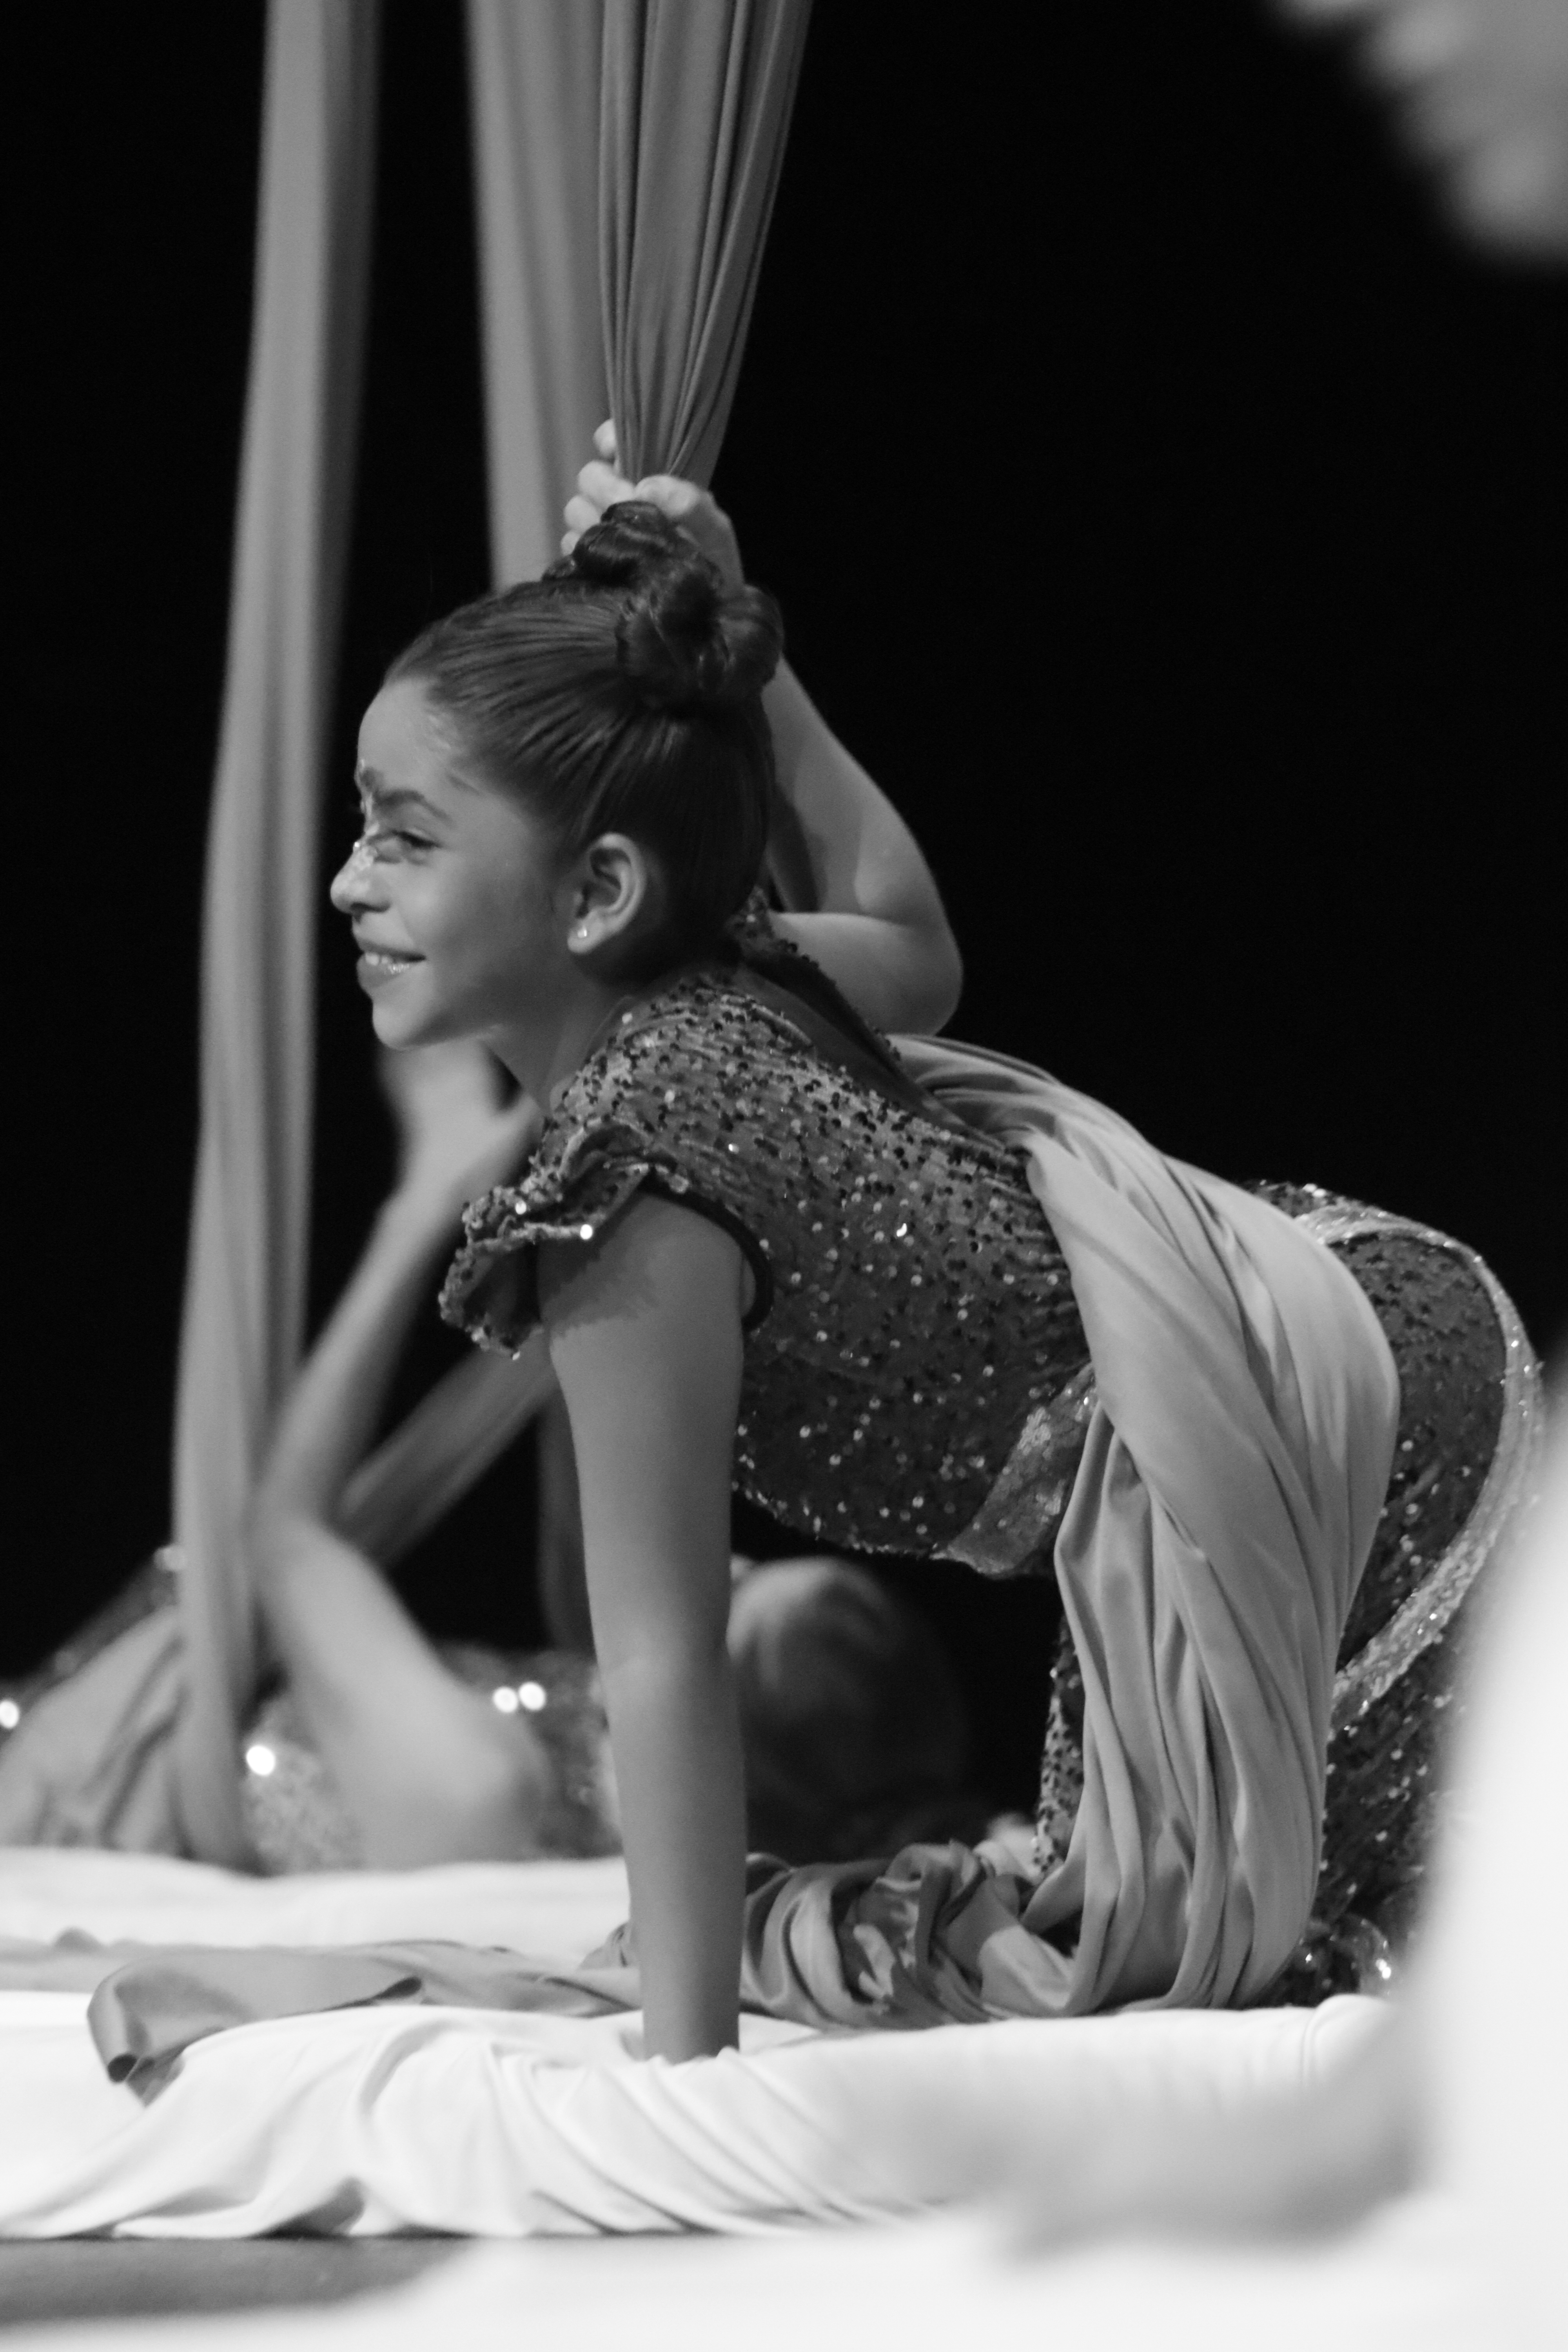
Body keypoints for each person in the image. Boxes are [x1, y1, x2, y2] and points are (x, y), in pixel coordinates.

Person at [300, 434, 1537, 2060]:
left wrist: (678, 2065)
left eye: (403, 836)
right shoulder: (742, 988)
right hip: (1366, 1317)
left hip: (1325, 1430)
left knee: (1295, 1990)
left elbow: (662, 1660)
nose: (345, 882)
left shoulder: (629, 1181)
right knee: (1376, 1964)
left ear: (599, 889)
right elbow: (917, 940)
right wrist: (754, 645)